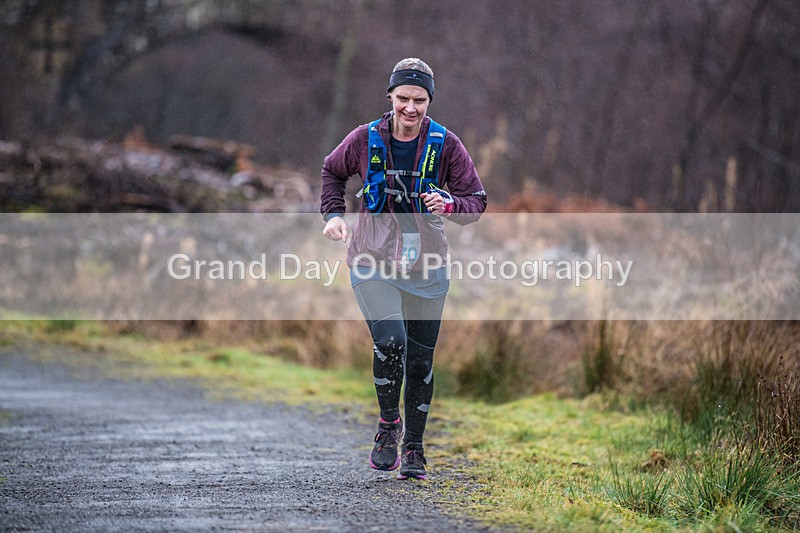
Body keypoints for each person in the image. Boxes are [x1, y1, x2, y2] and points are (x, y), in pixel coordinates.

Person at [320, 58, 486, 479]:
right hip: (371, 260)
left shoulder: (446, 145)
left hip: (427, 267)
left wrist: (449, 204)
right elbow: (332, 171)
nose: (410, 108)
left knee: (420, 363)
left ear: (429, 101)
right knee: (391, 340)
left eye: (420, 100)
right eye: (403, 98)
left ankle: (414, 448)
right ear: (390, 96)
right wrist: (334, 215)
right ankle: (388, 426)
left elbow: (475, 202)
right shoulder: (364, 139)